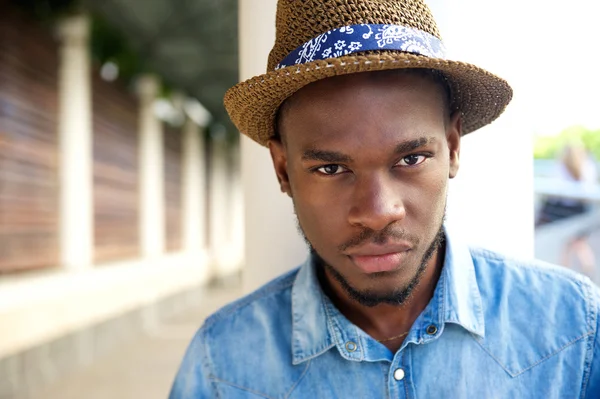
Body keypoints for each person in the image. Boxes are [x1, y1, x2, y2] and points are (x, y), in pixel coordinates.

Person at [170, 1, 600, 397]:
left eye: (411, 158)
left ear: (452, 148)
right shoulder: (221, 366)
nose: (377, 213)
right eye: (331, 169)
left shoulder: (573, 330)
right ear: (282, 169)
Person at [537, 142, 598, 276]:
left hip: (570, 213)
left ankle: (567, 273)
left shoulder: (563, 167)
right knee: (576, 243)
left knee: (574, 243)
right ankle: (582, 272)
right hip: (583, 211)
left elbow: (558, 191)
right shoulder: (587, 166)